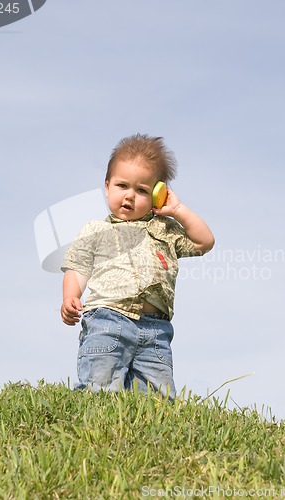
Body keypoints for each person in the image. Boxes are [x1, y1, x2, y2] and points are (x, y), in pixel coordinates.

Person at [60, 133, 215, 398]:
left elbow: (204, 241)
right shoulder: (96, 230)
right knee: (99, 387)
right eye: (122, 186)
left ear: (158, 195)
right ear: (107, 186)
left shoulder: (165, 230)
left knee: (158, 400)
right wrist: (70, 296)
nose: (130, 196)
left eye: (142, 190)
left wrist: (177, 210)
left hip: (156, 330)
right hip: (107, 319)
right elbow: (78, 266)